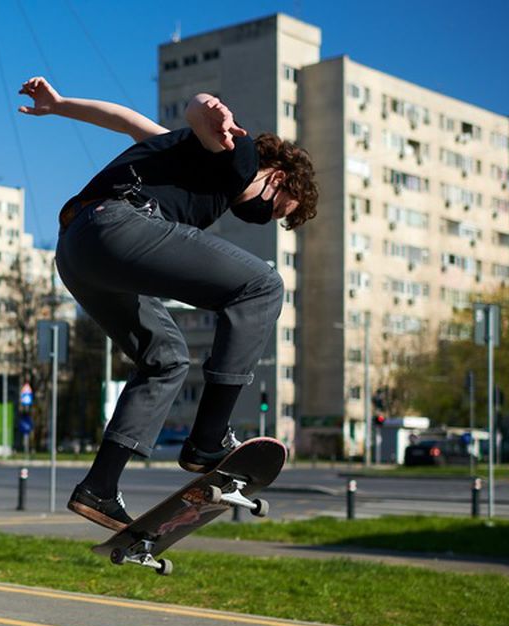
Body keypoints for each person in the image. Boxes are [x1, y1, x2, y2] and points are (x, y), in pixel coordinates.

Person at [18, 77, 318, 532]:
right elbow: (199, 109)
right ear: (277, 177)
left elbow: (126, 121)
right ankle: (208, 438)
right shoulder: (239, 153)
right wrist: (208, 106)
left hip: (77, 251)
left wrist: (60, 105)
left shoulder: (182, 151)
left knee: (166, 358)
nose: (264, 218)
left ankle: (99, 487)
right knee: (263, 286)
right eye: (276, 209)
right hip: (119, 225)